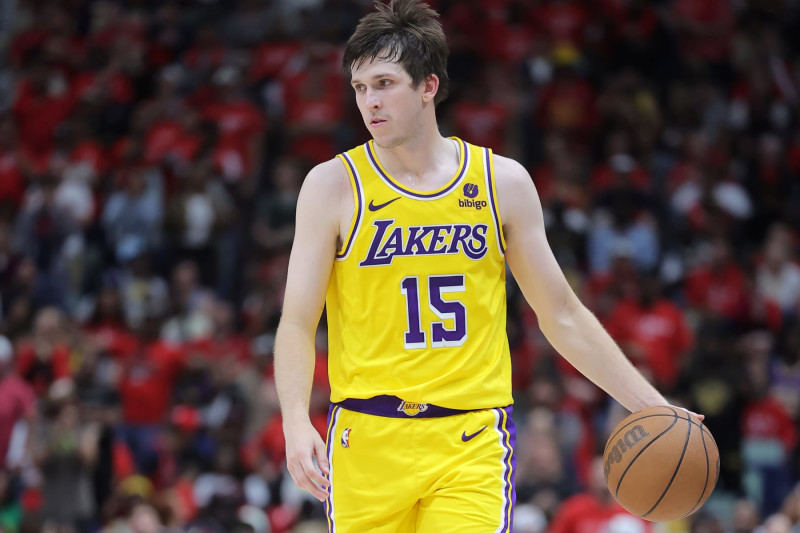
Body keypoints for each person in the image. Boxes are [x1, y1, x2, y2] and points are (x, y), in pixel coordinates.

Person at [274, 1, 698, 531]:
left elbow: (561, 313)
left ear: (428, 86)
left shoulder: (502, 183)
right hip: (366, 438)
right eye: (360, 88)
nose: (369, 102)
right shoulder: (332, 185)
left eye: (384, 84)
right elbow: (296, 321)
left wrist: (651, 405)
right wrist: (294, 420)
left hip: (469, 441)